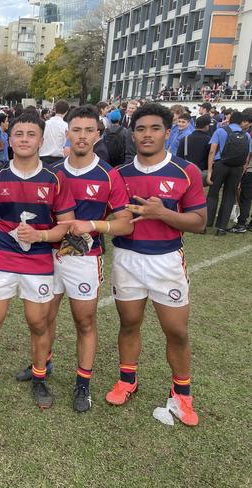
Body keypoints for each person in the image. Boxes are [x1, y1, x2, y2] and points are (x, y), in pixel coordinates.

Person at [13, 106, 133, 412]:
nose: (81, 136)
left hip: (83, 258)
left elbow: (125, 223)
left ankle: (83, 383)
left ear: (98, 134)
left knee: (84, 321)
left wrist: (93, 225)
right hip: (47, 255)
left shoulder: (109, 175)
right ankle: (43, 364)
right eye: (76, 130)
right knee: (42, 318)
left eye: (88, 130)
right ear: (67, 133)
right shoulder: (54, 172)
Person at [107, 103, 206, 426]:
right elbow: (110, 216)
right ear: (133, 134)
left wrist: (162, 213)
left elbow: (199, 222)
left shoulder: (185, 171)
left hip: (166, 261)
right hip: (127, 258)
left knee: (176, 330)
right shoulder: (119, 175)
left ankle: (182, 394)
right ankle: (127, 379)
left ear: (167, 132)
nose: (147, 135)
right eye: (140, 129)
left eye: (154, 129)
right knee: (129, 322)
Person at [0, 112, 76, 408]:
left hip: (39, 262)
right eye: (19, 134)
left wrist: (40, 236)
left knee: (39, 323)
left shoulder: (55, 179)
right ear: (10, 139)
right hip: (0, 259)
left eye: (31, 134)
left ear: (41, 140)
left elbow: (66, 226)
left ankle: (40, 378)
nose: (25, 139)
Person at [206, 110, 252, 235]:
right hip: (237, 167)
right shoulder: (246, 136)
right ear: (241, 121)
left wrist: (210, 171)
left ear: (230, 120)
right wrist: (242, 173)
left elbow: (212, 151)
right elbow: (247, 157)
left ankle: (206, 224)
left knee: (213, 193)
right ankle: (221, 228)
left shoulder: (221, 130)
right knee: (229, 196)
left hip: (221, 164)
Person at [176, 115, 212, 183]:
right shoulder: (209, 140)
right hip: (201, 172)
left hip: (186, 171)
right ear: (206, 126)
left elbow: (179, 157)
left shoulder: (185, 139)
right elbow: (210, 157)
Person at [39, 100, 69, 165]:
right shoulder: (66, 126)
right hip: (59, 159)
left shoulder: (45, 124)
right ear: (66, 112)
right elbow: (65, 144)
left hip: (43, 157)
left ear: (55, 110)